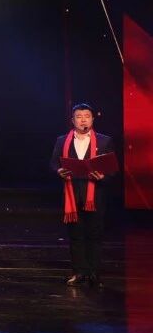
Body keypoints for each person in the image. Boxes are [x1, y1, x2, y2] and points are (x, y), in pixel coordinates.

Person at [49, 103, 117, 287]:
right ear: (72, 120)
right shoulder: (62, 140)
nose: (83, 120)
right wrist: (59, 171)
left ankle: (94, 273)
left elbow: (112, 169)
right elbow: (54, 163)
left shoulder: (104, 141)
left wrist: (103, 176)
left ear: (93, 119)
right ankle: (79, 272)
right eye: (79, 116)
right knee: (76, 235)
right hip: (72, 194)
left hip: (95, 195)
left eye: (87, 116)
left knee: (95, 235)